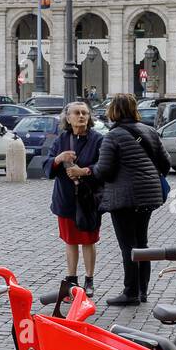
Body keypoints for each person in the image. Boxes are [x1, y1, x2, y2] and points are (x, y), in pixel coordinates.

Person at [94, 93, 171, 305]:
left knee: (128, 245)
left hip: (124, 198)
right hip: (149, 195)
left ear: (113, 110)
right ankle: (143, 291)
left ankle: (131, 293)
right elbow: (166, 163)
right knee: (142, 243)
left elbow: (104, 170)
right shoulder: (149, 131)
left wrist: (90, 171)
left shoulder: (113, 136)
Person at [44, 100, 104, 294]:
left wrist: (84, 171)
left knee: (88, 240)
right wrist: (59, 158)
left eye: (84, 113)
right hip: (66, 199)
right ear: (68, 118)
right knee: (70, 241)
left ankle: (89, 280)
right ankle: (71, 279)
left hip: (89, 199)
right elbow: (47, 166)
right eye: (77, 113)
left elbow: (104, 167)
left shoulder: (98, 140)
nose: (81, 116)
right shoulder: (61, 140)